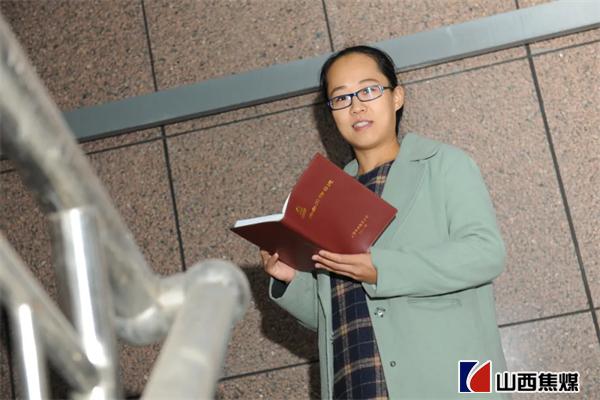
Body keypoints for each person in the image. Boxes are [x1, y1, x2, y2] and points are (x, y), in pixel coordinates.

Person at [260, 45, 508, 399]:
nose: (356, 106)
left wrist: (382, 270)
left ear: (397, 97)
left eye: (368, 90)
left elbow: (485, 254)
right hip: (354, 383)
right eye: (341, 98)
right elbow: (337, 315)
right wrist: (291, 279)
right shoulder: (325, 196)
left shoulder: (442, 164)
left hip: (438, 383)